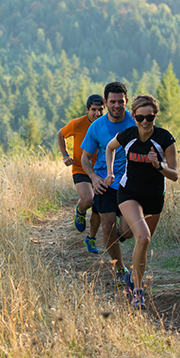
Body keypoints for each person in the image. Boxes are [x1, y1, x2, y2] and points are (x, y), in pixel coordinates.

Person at [105, 94, 179, 310]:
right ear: (133, 116)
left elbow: (174, 175)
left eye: (150, 117)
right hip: (129, 192)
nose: (145, 122)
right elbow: (109, 148)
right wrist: (110, 173)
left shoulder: (165, 138)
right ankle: (138, 292)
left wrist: (159, 166)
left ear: (155, 116)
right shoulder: (127, 135)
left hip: (154, 197)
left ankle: (132, 277)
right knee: (143, 237)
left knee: (143, 243)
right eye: (140, 118)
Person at [80, 81, 136, 284]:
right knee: (107, 225)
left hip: (130, 182)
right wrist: (94, 178)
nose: (117, 106)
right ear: (105, 102)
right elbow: (85, 158)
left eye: (120, 102)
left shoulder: (135, 121)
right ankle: (120, 269)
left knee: (128, 231)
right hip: (105, 182)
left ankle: (120, 234)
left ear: (126, 101)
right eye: (112, 102)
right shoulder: (97, 127)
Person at [56, 94, 104, 252]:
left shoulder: (107, 123)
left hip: (101, 170)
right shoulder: (77, 124)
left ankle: (91, 238)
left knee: (98, 205)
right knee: (89, 200)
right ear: (87, 109)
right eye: (94, 110)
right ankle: (81, 210)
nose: (97, 113)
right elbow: (60, 134)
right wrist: (65, 155)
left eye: (100, 110)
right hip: (80, 168)